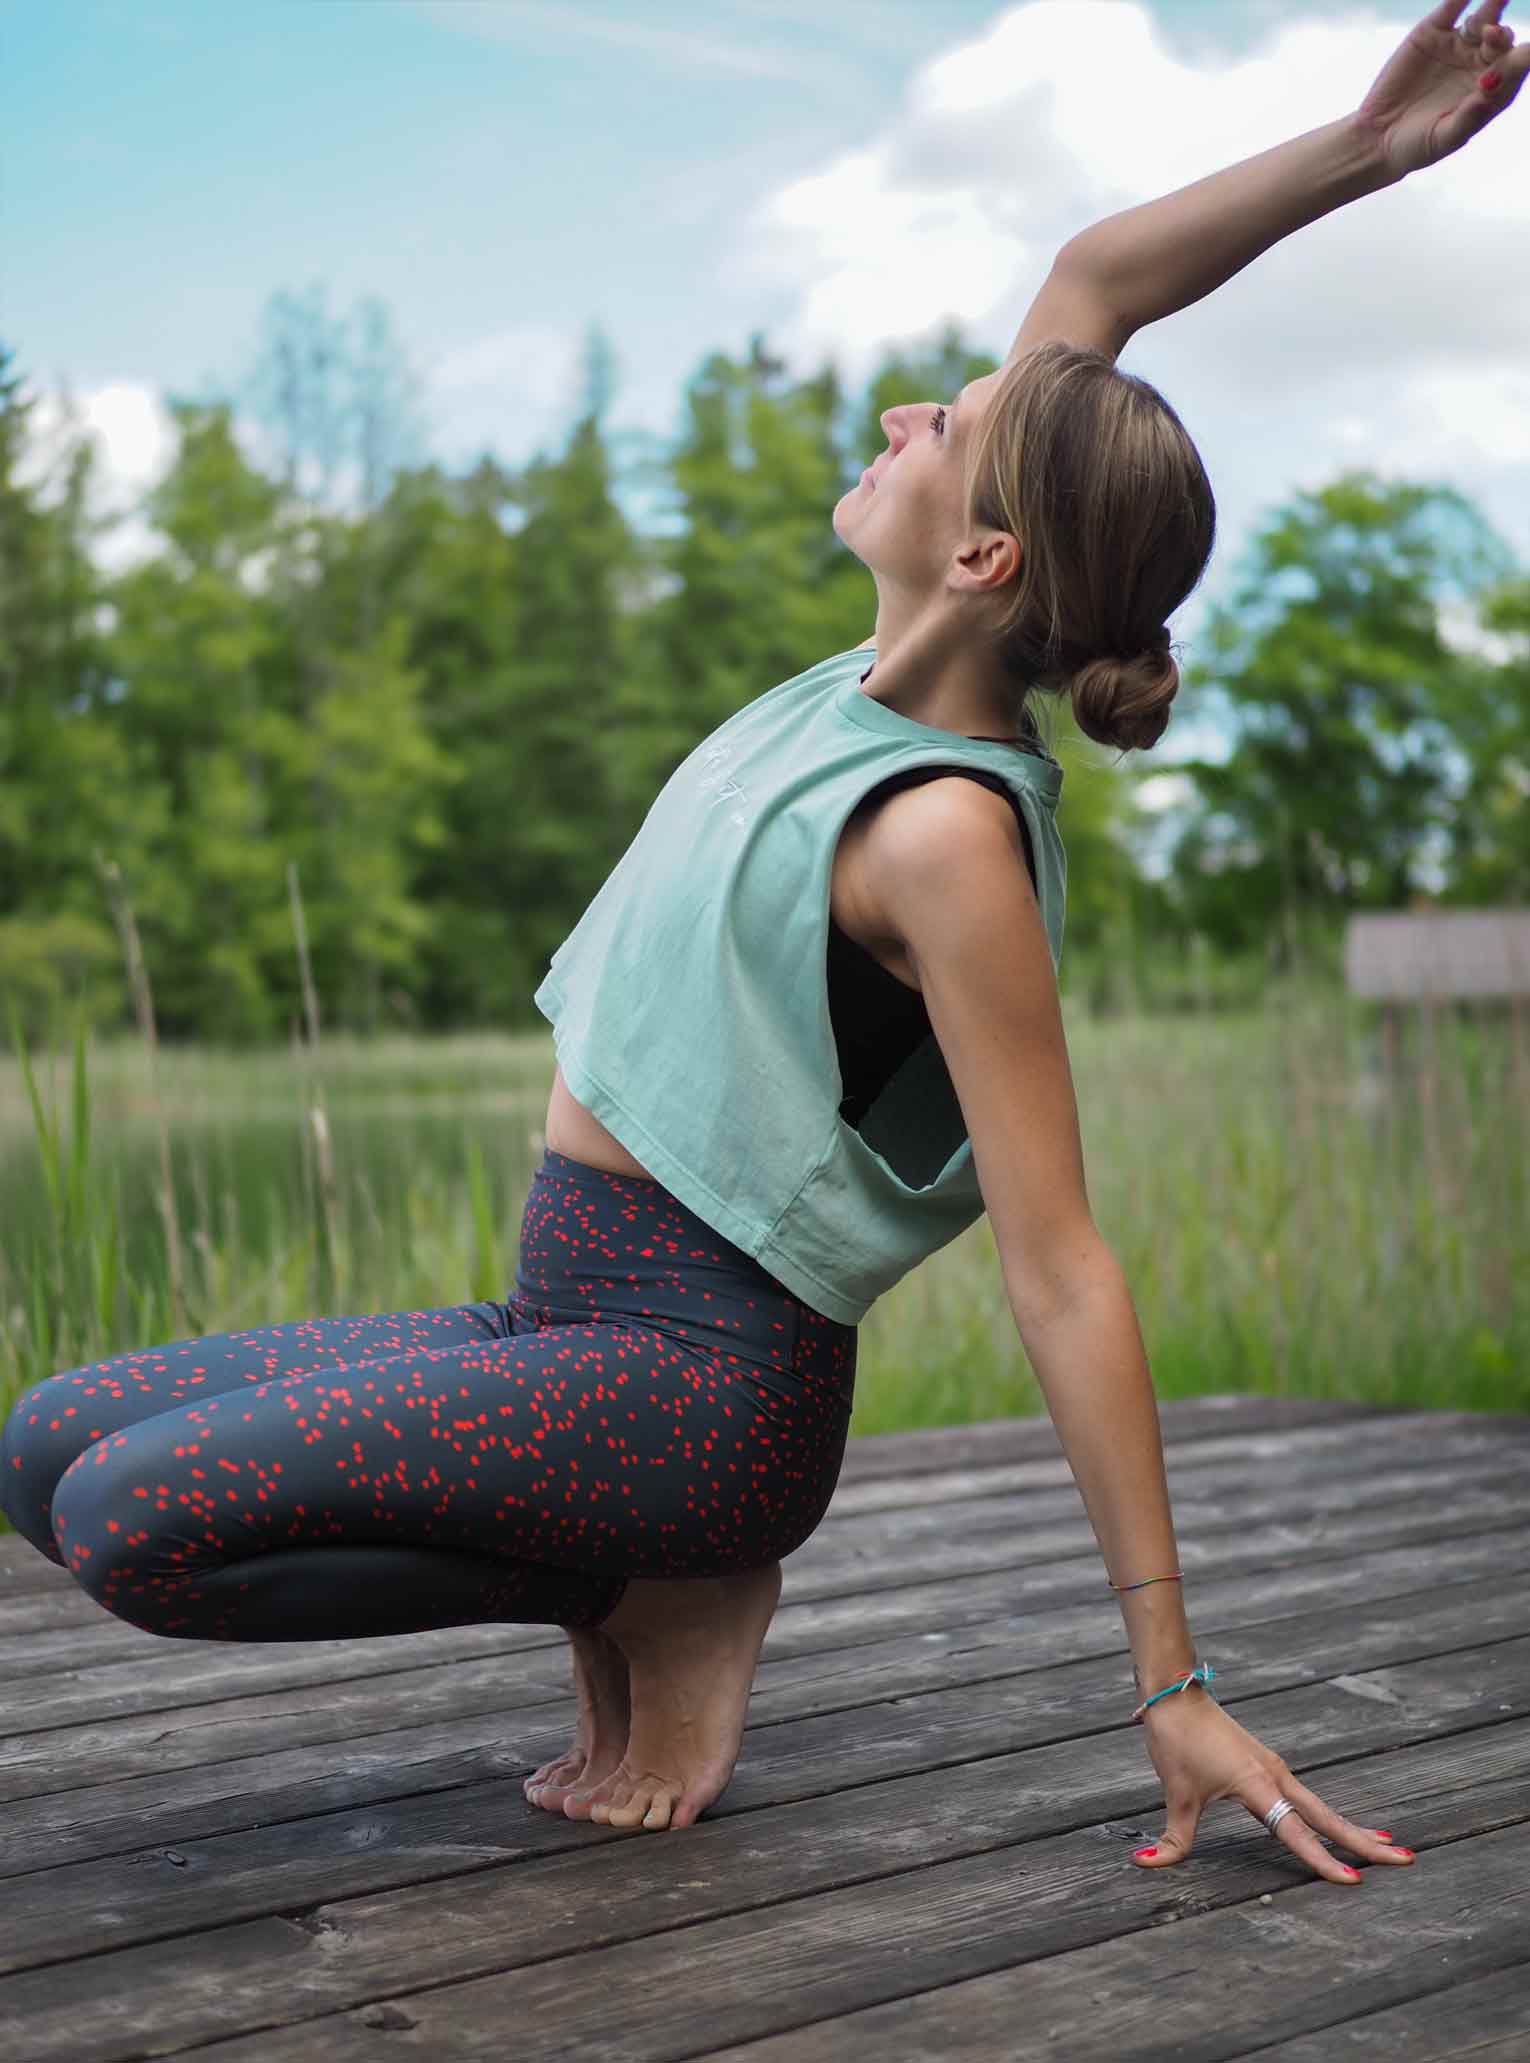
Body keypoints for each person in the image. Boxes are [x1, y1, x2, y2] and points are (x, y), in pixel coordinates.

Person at [1, 2, 1521, 1868]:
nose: (907, 410)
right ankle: (633, 1579)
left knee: (137, 1529)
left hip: (694, 1387)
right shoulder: (872, 686)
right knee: (41, 1447)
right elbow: (1096, 275)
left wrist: (1168, 1679)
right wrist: (1371, 155)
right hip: (562, 1320)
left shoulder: (945, 830)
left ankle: (667, 1587)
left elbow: (1062, 1267)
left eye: (944, 428)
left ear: (986, 560)